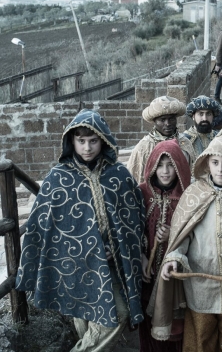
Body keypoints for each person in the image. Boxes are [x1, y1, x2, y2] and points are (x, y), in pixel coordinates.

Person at [16, 109, 145, 352]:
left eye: (93, 141)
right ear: (71, 141)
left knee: (117, 314)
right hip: (74, 266)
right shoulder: (59, 177)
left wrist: (116, 248)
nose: (87, 147)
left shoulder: (118, 174)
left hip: (112, 266)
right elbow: (42, 224)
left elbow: (133, 218)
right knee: (83, 319)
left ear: (103, 140)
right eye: (81, 141)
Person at [148, 127, 222, 352]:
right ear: (206, 163)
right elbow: (183, 234)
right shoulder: (194, 194)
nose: (220, 169)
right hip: (200, 285)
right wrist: (174, 256)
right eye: (215, 162)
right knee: (200, 341)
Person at [138, 140, 191, 352]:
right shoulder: (142, 193)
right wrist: (141, 256)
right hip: (147, 273)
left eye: (171, 165)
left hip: (174, 278)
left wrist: (173, 234)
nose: (166, 171)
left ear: (179, 166)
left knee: (173, 328)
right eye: (160, 165)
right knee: (148, 323)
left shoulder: (188, 196)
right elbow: (134, 229)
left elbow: (195, 234)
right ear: (152, 166)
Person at [127, 95, 187, 185]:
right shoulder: (143, 147)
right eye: (162, 120)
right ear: (154, 121)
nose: (167, 123)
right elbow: (135, 180)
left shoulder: (185, 143)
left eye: (171, 119)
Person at [178, 95, 222, 171]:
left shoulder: (220, 138)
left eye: (208, 114)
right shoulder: (184, 140)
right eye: (200, 114)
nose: (204, 118)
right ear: (193, 116)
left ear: (213, 116)